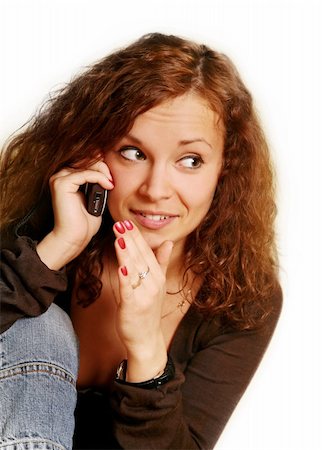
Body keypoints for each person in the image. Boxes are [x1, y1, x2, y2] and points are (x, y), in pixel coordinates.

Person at [0, 33, 282, 449]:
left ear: (226, 170)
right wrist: (54, 252)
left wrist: (147, 350)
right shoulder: (39, 227)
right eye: (133, 152)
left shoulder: (243, 298)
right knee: (41, 325)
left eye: (190, 161)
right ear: (94, 151)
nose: (156, 189)